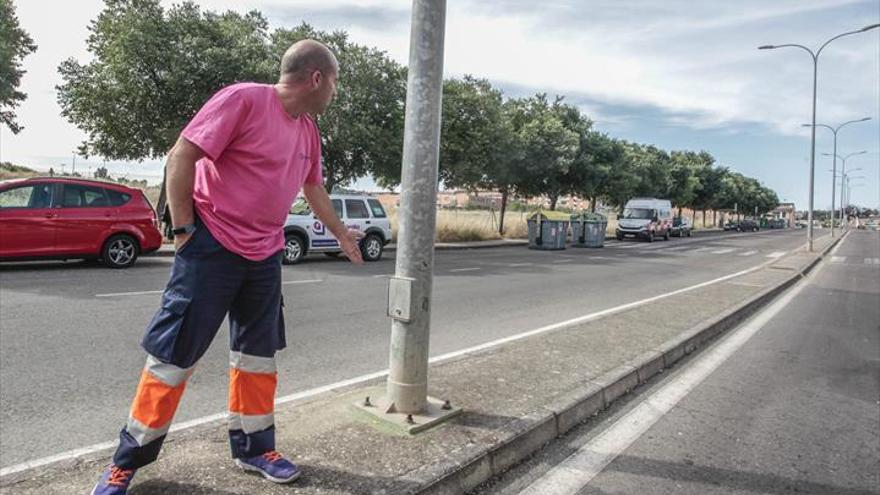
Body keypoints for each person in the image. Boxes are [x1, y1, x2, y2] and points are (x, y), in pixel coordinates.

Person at [91, 39, 363, 495]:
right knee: (173, 356)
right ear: (317, 78)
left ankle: (255, 449)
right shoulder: (243, 99)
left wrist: (338, 232)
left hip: (264, 256)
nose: (335, 91)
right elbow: (182, 155)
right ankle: (126, 462)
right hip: (212, 247)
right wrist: (183, 234)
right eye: (335, 81)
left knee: (257, 357)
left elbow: (312, 187)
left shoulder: (308, 130)